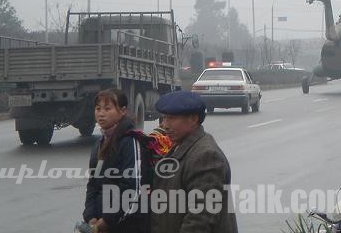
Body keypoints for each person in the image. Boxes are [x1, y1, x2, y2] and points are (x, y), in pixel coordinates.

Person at [150, 90, 239, 233]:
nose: (164, 125)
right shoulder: (179, 146)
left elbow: (200, 218)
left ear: (193, 119)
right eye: (164, 118)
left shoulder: (206, 156)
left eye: (171, 118)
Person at [83, 88, 152, 233]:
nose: (101, 114)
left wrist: (107, 221)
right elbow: (93, 184)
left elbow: (134, 189)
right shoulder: (99, 143)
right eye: (98, 108)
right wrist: (90, 216)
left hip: (128, 225)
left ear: (122, 111)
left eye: (107, 109)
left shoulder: (130, 141)